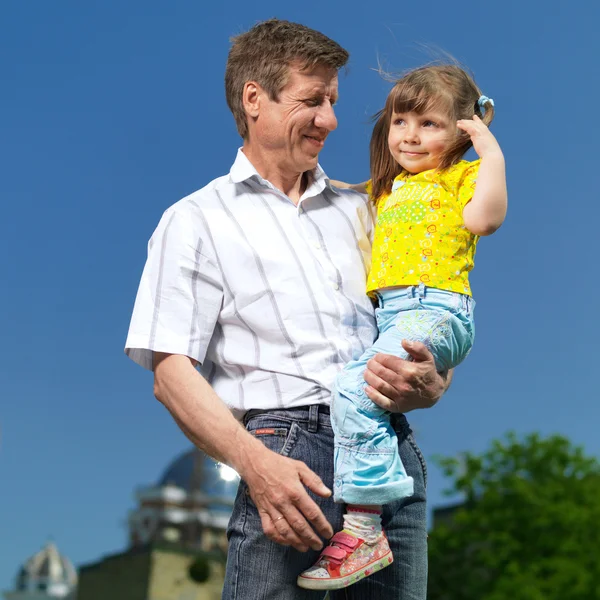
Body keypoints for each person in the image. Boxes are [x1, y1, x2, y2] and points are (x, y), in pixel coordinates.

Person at [125, 19, 451, 599]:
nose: (329, 119)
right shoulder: (196, 220)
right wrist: (257, 466)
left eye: (332, 100)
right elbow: (171, 374)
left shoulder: (368, 211)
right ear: (255, 98)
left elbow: (423, 322)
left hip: (386, 453)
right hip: (284, 458)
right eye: (312, 100)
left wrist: (431, 381)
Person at [297, 64, 507, 591]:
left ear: (461, 131)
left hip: (437, 309)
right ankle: (374, 510)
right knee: (367, 391)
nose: (410, 135)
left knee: (354, 386)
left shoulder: (462, 177)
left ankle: (365, 527)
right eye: (400, 121)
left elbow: (485, 220)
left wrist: (491, 151)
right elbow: (336, 196)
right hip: (393, 314)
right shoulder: (386, 191)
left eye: (429, 124)